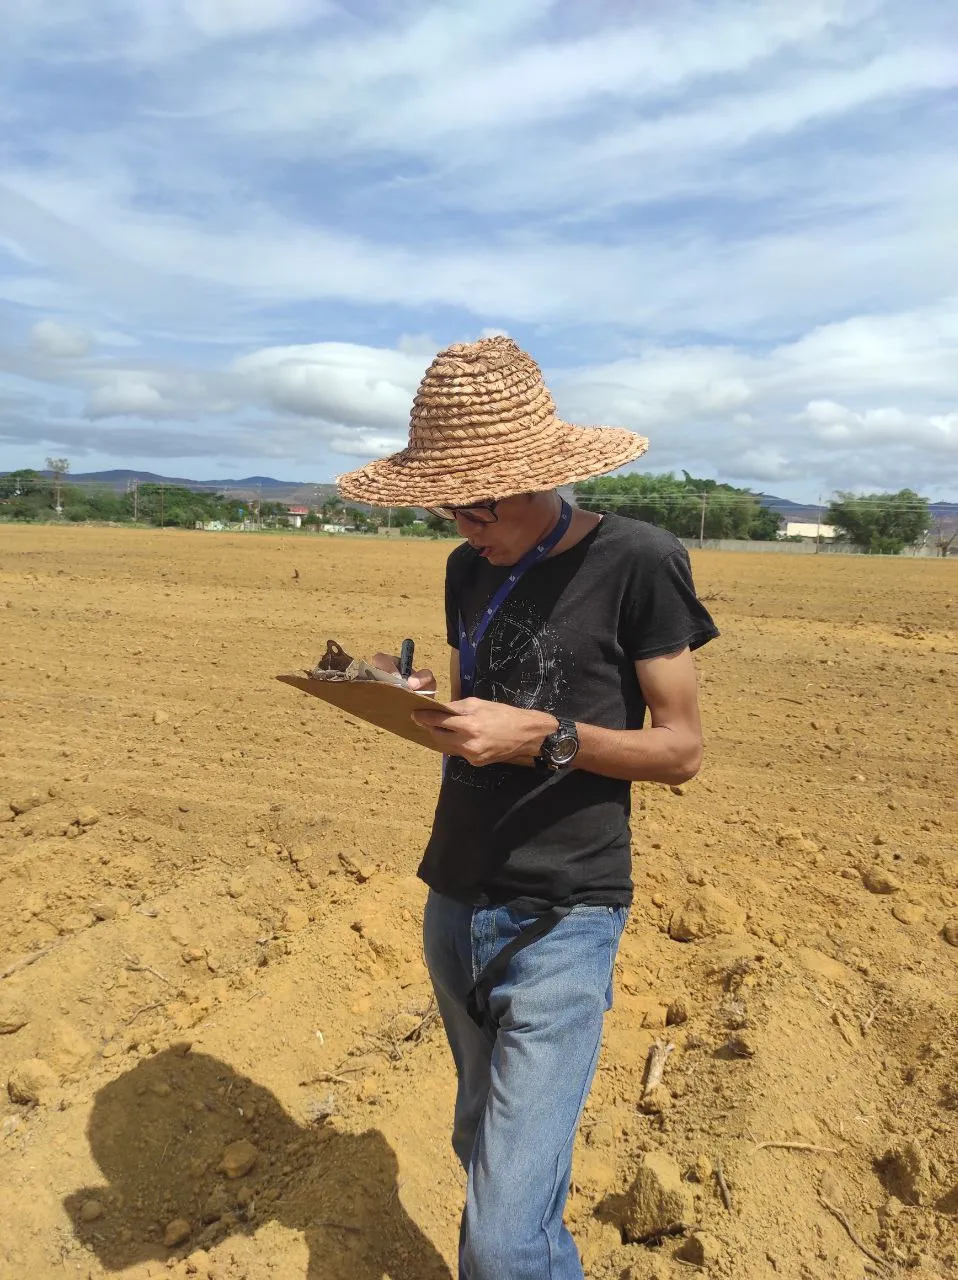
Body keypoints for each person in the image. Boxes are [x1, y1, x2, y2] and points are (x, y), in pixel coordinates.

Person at [337, 336, 718, 1280]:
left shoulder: (640, 561)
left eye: (478, 502)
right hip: (455, 899)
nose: (464, 525)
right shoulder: (468, 566)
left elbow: (682, 750)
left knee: (505, 1238)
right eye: (444, 504)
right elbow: (475, 708)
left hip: (564, 916)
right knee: (489, 1159)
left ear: (541, 477)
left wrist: (546, 736)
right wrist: (408, 693)